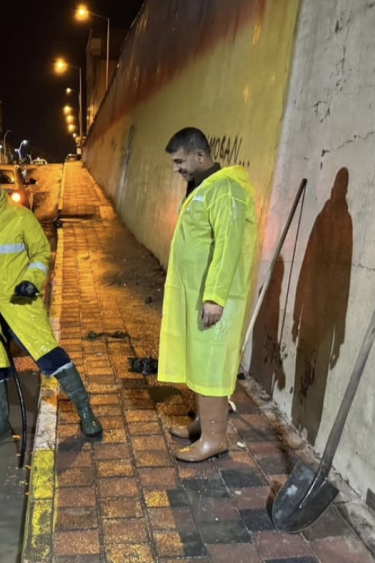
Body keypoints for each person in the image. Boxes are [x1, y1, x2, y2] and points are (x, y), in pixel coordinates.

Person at [0, 165, 102, 443]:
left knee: (51, 358)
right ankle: (0, 425)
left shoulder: (20, 218)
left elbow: (40, 252)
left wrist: (32, 281)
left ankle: (86, 413)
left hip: (20, 305)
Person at [159, 127, 258, 462]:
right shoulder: (203, 188)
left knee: (212, 364)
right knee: (200, 361)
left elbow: (229, 246)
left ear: (200, 156)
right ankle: (204, 423)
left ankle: (215, 438)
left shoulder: (225, 189)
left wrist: (215, 296)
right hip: (197, 293)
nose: (177, 168)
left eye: (180, 161)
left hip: (214, 298)